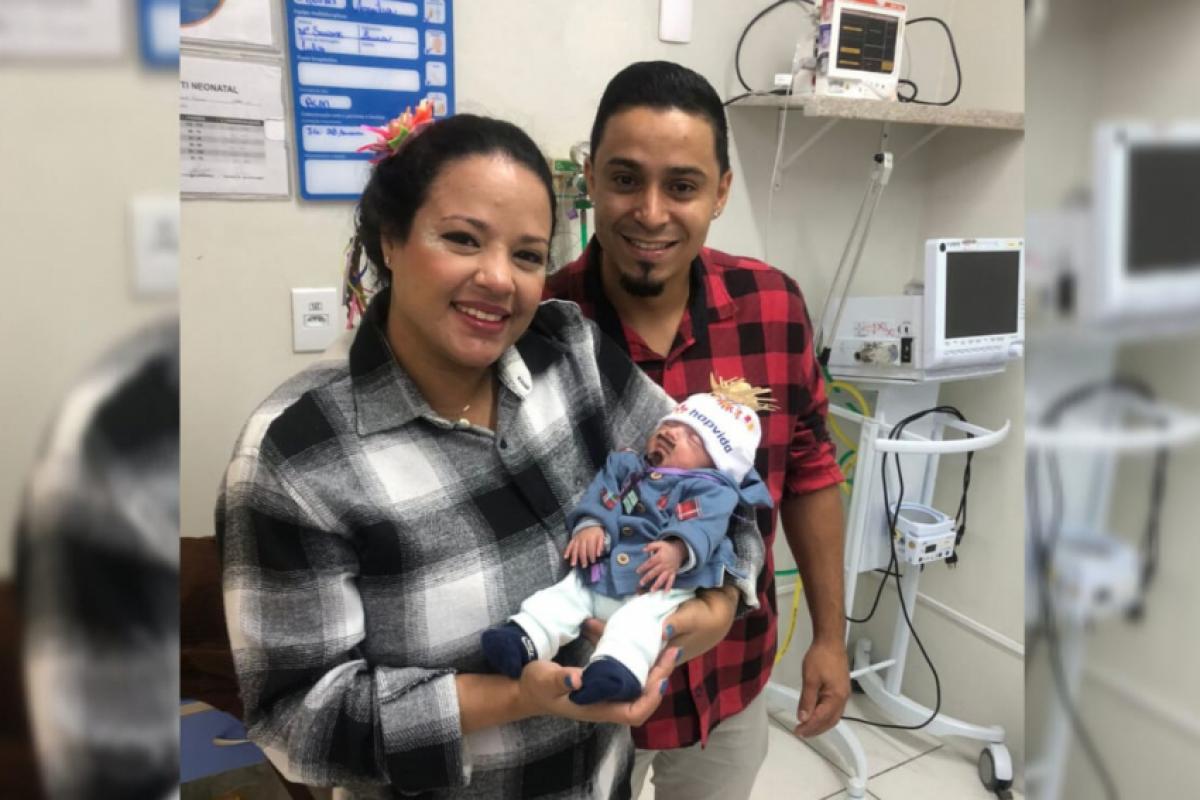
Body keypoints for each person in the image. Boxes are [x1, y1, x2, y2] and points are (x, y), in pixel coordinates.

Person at [217, 111, 764, 799]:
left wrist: (715, 605)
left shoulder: (570, 354)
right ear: (392, 239)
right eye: (462, 239)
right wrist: (516, 696)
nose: (499, 278)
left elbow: (725, 485)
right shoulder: (298, 457)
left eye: (528, 256)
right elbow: (298, 724)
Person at [545, 61, 850, 799]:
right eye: (625, 179)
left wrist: (831, 638)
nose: (650, 213)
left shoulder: (773, 307)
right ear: (591, 179)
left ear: (720, 191)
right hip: (581, 694)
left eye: (681, 186)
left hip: (729, 675)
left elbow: (809, 472)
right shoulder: (544, 327)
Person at [481, 378, 774, 706]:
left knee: (639, 624)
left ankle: (619, 671)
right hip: (603, 570)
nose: (672, 433)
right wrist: (592, 524)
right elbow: (603, 493)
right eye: (671, 423)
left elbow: (705, 525)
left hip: (659, 585)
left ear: (717, 465)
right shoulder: (626, 465)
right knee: (566, 594)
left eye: (694, 437)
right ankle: (526, 637)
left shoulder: (711, 490)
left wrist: (677, 548)